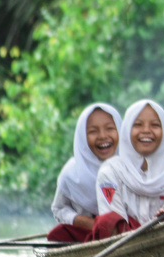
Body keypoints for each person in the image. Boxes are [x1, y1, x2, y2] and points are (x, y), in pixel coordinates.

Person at [92, 99, 164, 239]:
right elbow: (113, 222)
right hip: (122, 248)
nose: (146, 131)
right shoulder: (110, 172)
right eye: (137, 125)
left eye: (155, 125)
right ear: (126, 130)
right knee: (106, 221)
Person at [46, 103, 123, 243]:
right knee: (58, 234)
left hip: (126, 233)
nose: (103, 136)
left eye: (110, 128)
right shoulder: (71, 172)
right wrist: (89, 223)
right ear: (82, 136)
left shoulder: (131, 167)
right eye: (93, 131)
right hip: (85, 238)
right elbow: (59, 208)